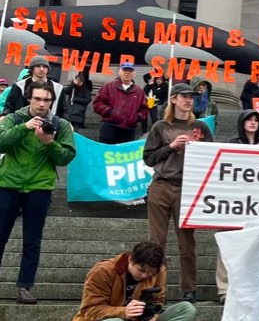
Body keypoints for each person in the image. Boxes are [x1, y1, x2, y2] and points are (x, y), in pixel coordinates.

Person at [68, 241, 196, 321]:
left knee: (186, 308)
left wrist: (152, 317)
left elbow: (158, 301)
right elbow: (89, 311)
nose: (145, 275)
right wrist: (123, 312)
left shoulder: (158, 271)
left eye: (150, 273)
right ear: (130, 259)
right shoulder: (103, 271)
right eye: (141, 270)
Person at [0, 82, 75, 304]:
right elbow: (1, 144)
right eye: (37, 99)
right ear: (28, 99)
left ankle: (25, 286)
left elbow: (66, 157)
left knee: (32, 241)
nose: (42, 104)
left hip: (40, 187)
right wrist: (25, 128)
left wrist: (49, 143)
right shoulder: (14, 118)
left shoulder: (59, 124)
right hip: (8, 183)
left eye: (47, 100)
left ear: (52, 102)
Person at [144, 83, 214, 304]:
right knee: (157, 242)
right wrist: (172, 146)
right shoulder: (160, 126)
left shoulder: (201, 127)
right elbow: (148, 158)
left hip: (188, 187)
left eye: (192, 97)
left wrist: (198, 148)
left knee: (187, 243)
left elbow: (212, 158)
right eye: (184, 96)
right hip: (162, 185)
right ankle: (154, 287)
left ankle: (189, 289)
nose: (188, 100)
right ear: (174, 99)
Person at [214, 109, 259, 304]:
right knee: (227, 245)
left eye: (257, 120)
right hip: (233, 202)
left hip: (258, 203)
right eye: (249, 119)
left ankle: (250, 287)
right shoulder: (232, 143)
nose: (253, 123)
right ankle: (224, 289)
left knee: (255, 247)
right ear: (242, 122)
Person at [93, 62, 149, 144]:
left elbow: (144, 109)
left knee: (125, 155)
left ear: (134, 74)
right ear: (119, 72)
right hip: (109, 127)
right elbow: (97, 103)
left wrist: (136, 117)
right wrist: (109, 112)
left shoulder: (139, 91)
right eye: (124, 70)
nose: (127, 73)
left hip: (129, 130)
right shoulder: (108, 87)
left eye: (130, 71)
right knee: (107, 154)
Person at [2, 56, 67, 119]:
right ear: (32, 68)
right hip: (22, 124)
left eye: (44, 67)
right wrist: (4, 116)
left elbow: (63, 110)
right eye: (38, 66)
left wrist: (67, 122)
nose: (42, 69)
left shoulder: (58, 88)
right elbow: (9, 106)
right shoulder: (19, 86)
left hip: (48, 124)